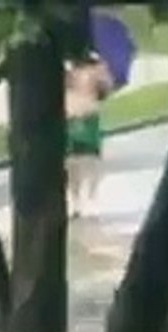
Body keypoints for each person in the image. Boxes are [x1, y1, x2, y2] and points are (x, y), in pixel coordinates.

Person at [65, 52, 114, 218]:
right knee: (72, 163)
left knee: (91, 160)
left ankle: (91, 197)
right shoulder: (66, 68)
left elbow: (106, 89)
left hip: (89, 115)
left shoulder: (97, 66)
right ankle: (76, 201)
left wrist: (100, 81)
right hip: (70, 116)